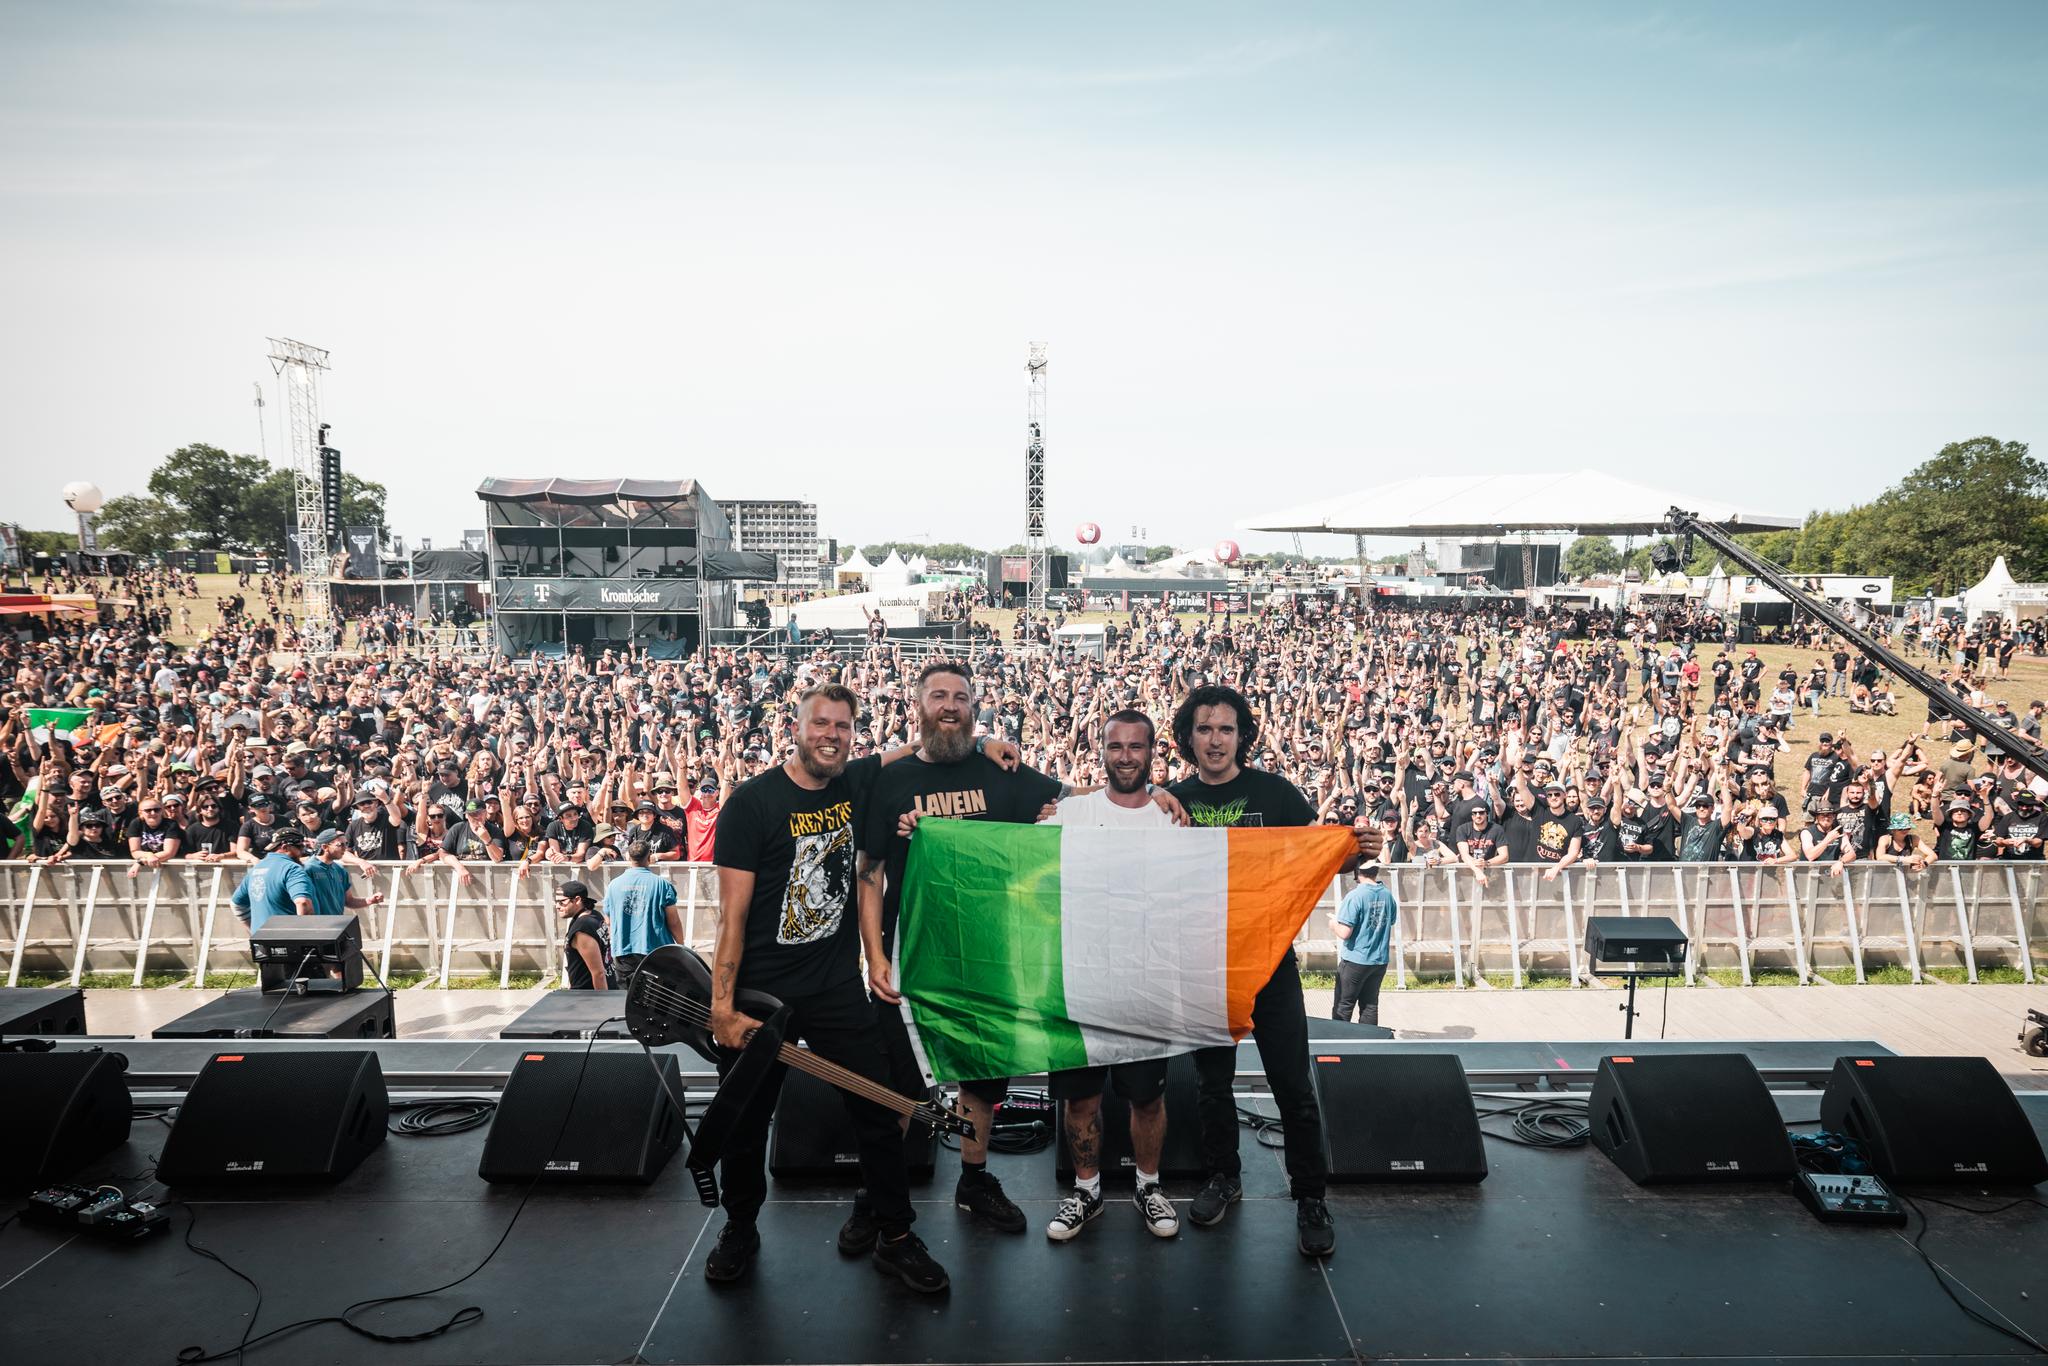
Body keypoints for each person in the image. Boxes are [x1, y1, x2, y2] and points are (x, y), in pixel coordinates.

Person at [704, 683, 948, 1293]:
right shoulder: (752, 804)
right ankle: (739, 1225)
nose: (831, 735)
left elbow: (917, 749)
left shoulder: (853, 784)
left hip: (836, 987)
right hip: (763, 994)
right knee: (744, 1120)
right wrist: (722, 1009)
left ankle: (894, 1232)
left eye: (842, 726)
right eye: (821, 724)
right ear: (797, 725)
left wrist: (992, 742)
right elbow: (730, 918)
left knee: (880, 1104)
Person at [1164, 683, 1379, 1259]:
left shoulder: (1276, 794)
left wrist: (1353, 850)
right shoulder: (1171, 801)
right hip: (1204, 963)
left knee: (1293, 1088)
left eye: (1226, 728)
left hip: (1270, 962)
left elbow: (1316, 856)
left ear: (1242, 737)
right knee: (1212, 1086)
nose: (1215, 739)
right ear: (1189, 737)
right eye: (1204, 728)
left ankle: (1310, 1196)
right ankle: (1222, 1176)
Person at [860, 661, 1067, 1238]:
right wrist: (873, 954)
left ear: (976, 709)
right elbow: (869, 872)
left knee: (980, 1076)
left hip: (985, 951)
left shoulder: (1006, 771)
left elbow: (1080, 801)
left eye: (960, 697)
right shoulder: (890, 781)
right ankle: (877, 1195)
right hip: (909, 951)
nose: (949, 705)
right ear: (917, 707)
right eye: (937, 697)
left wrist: (1155, 800)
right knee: (895, 1082)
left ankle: (974, 1180)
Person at [1041, 709, 1180, 1244]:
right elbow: (1010, 846)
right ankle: (1087, 1191)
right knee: (1082, 1102)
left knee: (1147, 1098)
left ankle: (1148, 1185)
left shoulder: (1171, 818)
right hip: (1078, 982)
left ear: (1151, 753)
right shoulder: (1070, 812)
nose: (1125, 756)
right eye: (1115, 746)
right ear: (1101, 750)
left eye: (1136, 747)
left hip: (1146, 982)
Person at [604, 838, 682, 977]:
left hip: (624, 950)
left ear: (628, 856)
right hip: (657, 951)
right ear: (649, 857)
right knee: (657, 996)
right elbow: (673, 921)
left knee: (626, 996)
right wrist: (681, 946)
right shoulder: (662, 885)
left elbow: (608, 920)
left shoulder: (613, 885)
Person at [1330, 861, 1396, 1026]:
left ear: (1357, 872)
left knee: (1343, 1005)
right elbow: (1391, 920)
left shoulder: (1355, 896)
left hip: (1355, 960)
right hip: (1379, 960)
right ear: (1376, 871)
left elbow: (1344, 932)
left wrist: (1333, 924)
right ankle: (1368, 1045)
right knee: (1370, 1005)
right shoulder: (1387, 894)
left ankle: (1338, 1044)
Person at [230, 823, 313, 930]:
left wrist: (255, 930)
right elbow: (303, 902)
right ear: (285, 847)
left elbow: (236, 904)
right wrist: (307, 935)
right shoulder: (292, 869)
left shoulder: (256, 869)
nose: (302, 852)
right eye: (300, 847)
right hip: (287, 940)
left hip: (260, 941)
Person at [303, 828, 385, 917]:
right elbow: (303, 903)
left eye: (346, 844)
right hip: (318, 926)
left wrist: (370, 900)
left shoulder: (339, 870)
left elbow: (349, 901)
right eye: (340, 845)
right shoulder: (308, 869)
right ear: (325, 847)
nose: (345, 848)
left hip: (337, 925)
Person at [554, 881, 616, 990]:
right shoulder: (594, 914)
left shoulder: (583, 928)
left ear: (577, 900)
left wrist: (604, 1002)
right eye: (556, 902)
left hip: (588, 996)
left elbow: (598, 973)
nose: (557, 906)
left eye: (562, 902)